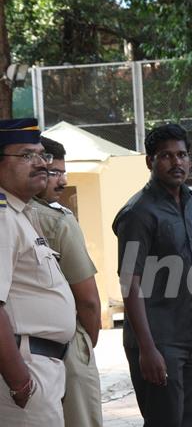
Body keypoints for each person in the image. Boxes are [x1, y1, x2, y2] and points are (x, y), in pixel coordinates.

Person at [112, 123, 192, 427]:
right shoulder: (138, 213)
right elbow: (130, 282)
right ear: (150, 161)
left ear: (190, 159)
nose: (176, 162)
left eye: (182, 155)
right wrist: (147, 349)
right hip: (160, 340)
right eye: (166, 156)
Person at [0, 118, 76, 425]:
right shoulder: (3, 219)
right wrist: (20, 382)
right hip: (24, 372)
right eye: (26, 156)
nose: (41, 163)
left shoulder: (22, 214)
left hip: (42, 366)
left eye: (41, 155)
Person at [31, 136, 103, 427]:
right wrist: (86, 344)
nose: (62, 182)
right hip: (67, 343)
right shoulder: (58, 221)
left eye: (64, 173)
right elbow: (88, 300)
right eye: (54, 173)